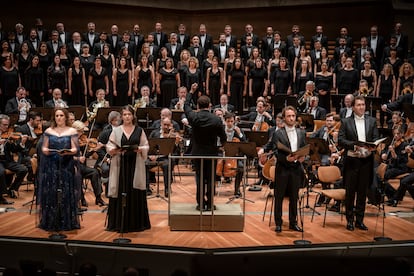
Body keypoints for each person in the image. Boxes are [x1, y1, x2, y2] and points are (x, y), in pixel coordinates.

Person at [258, 105, 306, 233]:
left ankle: (293, 222)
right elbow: (276, 151)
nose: (291, 118)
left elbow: (304, 148)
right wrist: (286, 159)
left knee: (294, 197)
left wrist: (303, 158)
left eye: (293, 116)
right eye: (288, 116)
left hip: (296, 168)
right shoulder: (278, 133)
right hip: (282, 169)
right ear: (284, 118)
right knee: (279, 197)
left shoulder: (301, 132)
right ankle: (278, 223)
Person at [106, 105, 150, 232]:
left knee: (135, 190)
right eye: (124, 114)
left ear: (133, 116)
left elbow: (146, 146)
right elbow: (109, 146)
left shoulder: (139, 130)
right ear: (121, 116)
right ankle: (119, 223)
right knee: (120, 190)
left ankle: (136, 224)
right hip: (121, 165)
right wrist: (113, 150)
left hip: (135, 165)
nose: (127, 117)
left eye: (129, 114)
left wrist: (140, 149)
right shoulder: (116, 131)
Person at [338, 95, 379, 231]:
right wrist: (354, 146)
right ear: (353, 107)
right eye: (359, 105)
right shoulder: (346, 122)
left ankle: (359, 220)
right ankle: (349, 219)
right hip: (352, 161)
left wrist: (373, 146)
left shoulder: (372, 121)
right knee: (350, 192)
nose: (361, 107)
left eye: (363, 104)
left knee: (362, 192)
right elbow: (341, 140)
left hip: (366, 161)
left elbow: (375, 138)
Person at [38, 107, 80, 231]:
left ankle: (66, 221)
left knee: (66, 192)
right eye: (57, 116)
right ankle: (51, 221)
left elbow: (75, 149)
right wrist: (49, 151)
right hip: (51, 164)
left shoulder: (72, 131)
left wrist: (67, 152)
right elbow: (44, 148)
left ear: (65, 117)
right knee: (52, 192)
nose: (59, 118)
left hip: (66, 164)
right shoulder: (49, 131)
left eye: (61, 115)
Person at [184, 95, 226, 211]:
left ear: (198, 106)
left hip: (197, 153)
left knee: (200, 178)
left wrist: (191, 93)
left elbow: (186, 106)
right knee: (211, 178)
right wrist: (221, 144)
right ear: (209, 105)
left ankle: (201, 203)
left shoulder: (193, 117)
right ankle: (210, 203)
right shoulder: (216, 119)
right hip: (212, 153)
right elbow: (223, 137)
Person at [72, 120, 107, 207]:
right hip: (72, 167)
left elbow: (85, 155)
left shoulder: (81, 141)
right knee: (78, 175)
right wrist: (78, 159)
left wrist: (93, 150)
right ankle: (82, 198)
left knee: (95, 172)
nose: (82, 133)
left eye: (82, 131)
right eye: (80, 131)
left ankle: (98, 198)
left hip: (81, 166)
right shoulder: (69, 140)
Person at [147, 117, 181, 197]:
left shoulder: (173, 135)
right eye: (164, 124)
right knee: (144, 163)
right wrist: (151, 155)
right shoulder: (154, 133)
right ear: (161, 124)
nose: (166, 127)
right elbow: (149, 145)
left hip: (165, 158)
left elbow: (176, 152)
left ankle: (167, 189)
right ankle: (146, 188)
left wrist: (176, 143)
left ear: (171, 125)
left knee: (167, 165)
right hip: (154, 157)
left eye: (168, 125)